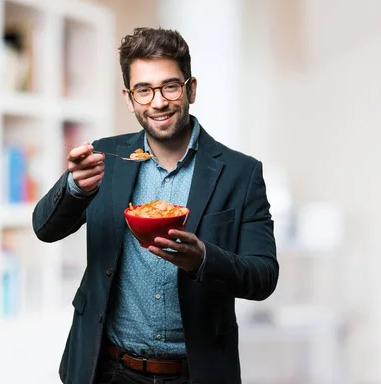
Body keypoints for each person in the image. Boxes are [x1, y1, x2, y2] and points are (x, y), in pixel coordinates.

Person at [32, 27, 279, 384]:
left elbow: (263, 276)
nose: (158, 102)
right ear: (129, 97)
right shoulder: (106, 156)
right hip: (106, 369)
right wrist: (74, 188)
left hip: (195, 372)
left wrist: (203, 259)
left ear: (191, 89)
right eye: (143, 90)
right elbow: (44, 229)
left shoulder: (240, 173)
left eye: (170, 86)